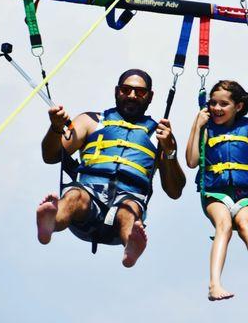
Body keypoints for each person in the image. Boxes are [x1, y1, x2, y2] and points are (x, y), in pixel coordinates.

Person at [37, 69, 186, 268]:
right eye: (126, 90)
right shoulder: (90, 121)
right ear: (117, 92)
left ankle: (131, 245)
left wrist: (169, 151)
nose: (132, 95)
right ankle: (51, 221)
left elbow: (175, 191)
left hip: (128, 199)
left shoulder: (159, 136)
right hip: (88, 199)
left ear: (150, 97)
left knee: (129, 210)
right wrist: (56, 128)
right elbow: (51, 156)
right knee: (74, 196)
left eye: (140, 92)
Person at [186, 80, 248, 301]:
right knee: (224, 225)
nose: (216, 108)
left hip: (243, 195)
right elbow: (191, 161)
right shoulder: (207, 131)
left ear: (239, 107)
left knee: (245, 224)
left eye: (223, 104)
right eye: (213, 103)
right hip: (214, 193)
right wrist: (196, 127)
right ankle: (214, 285)